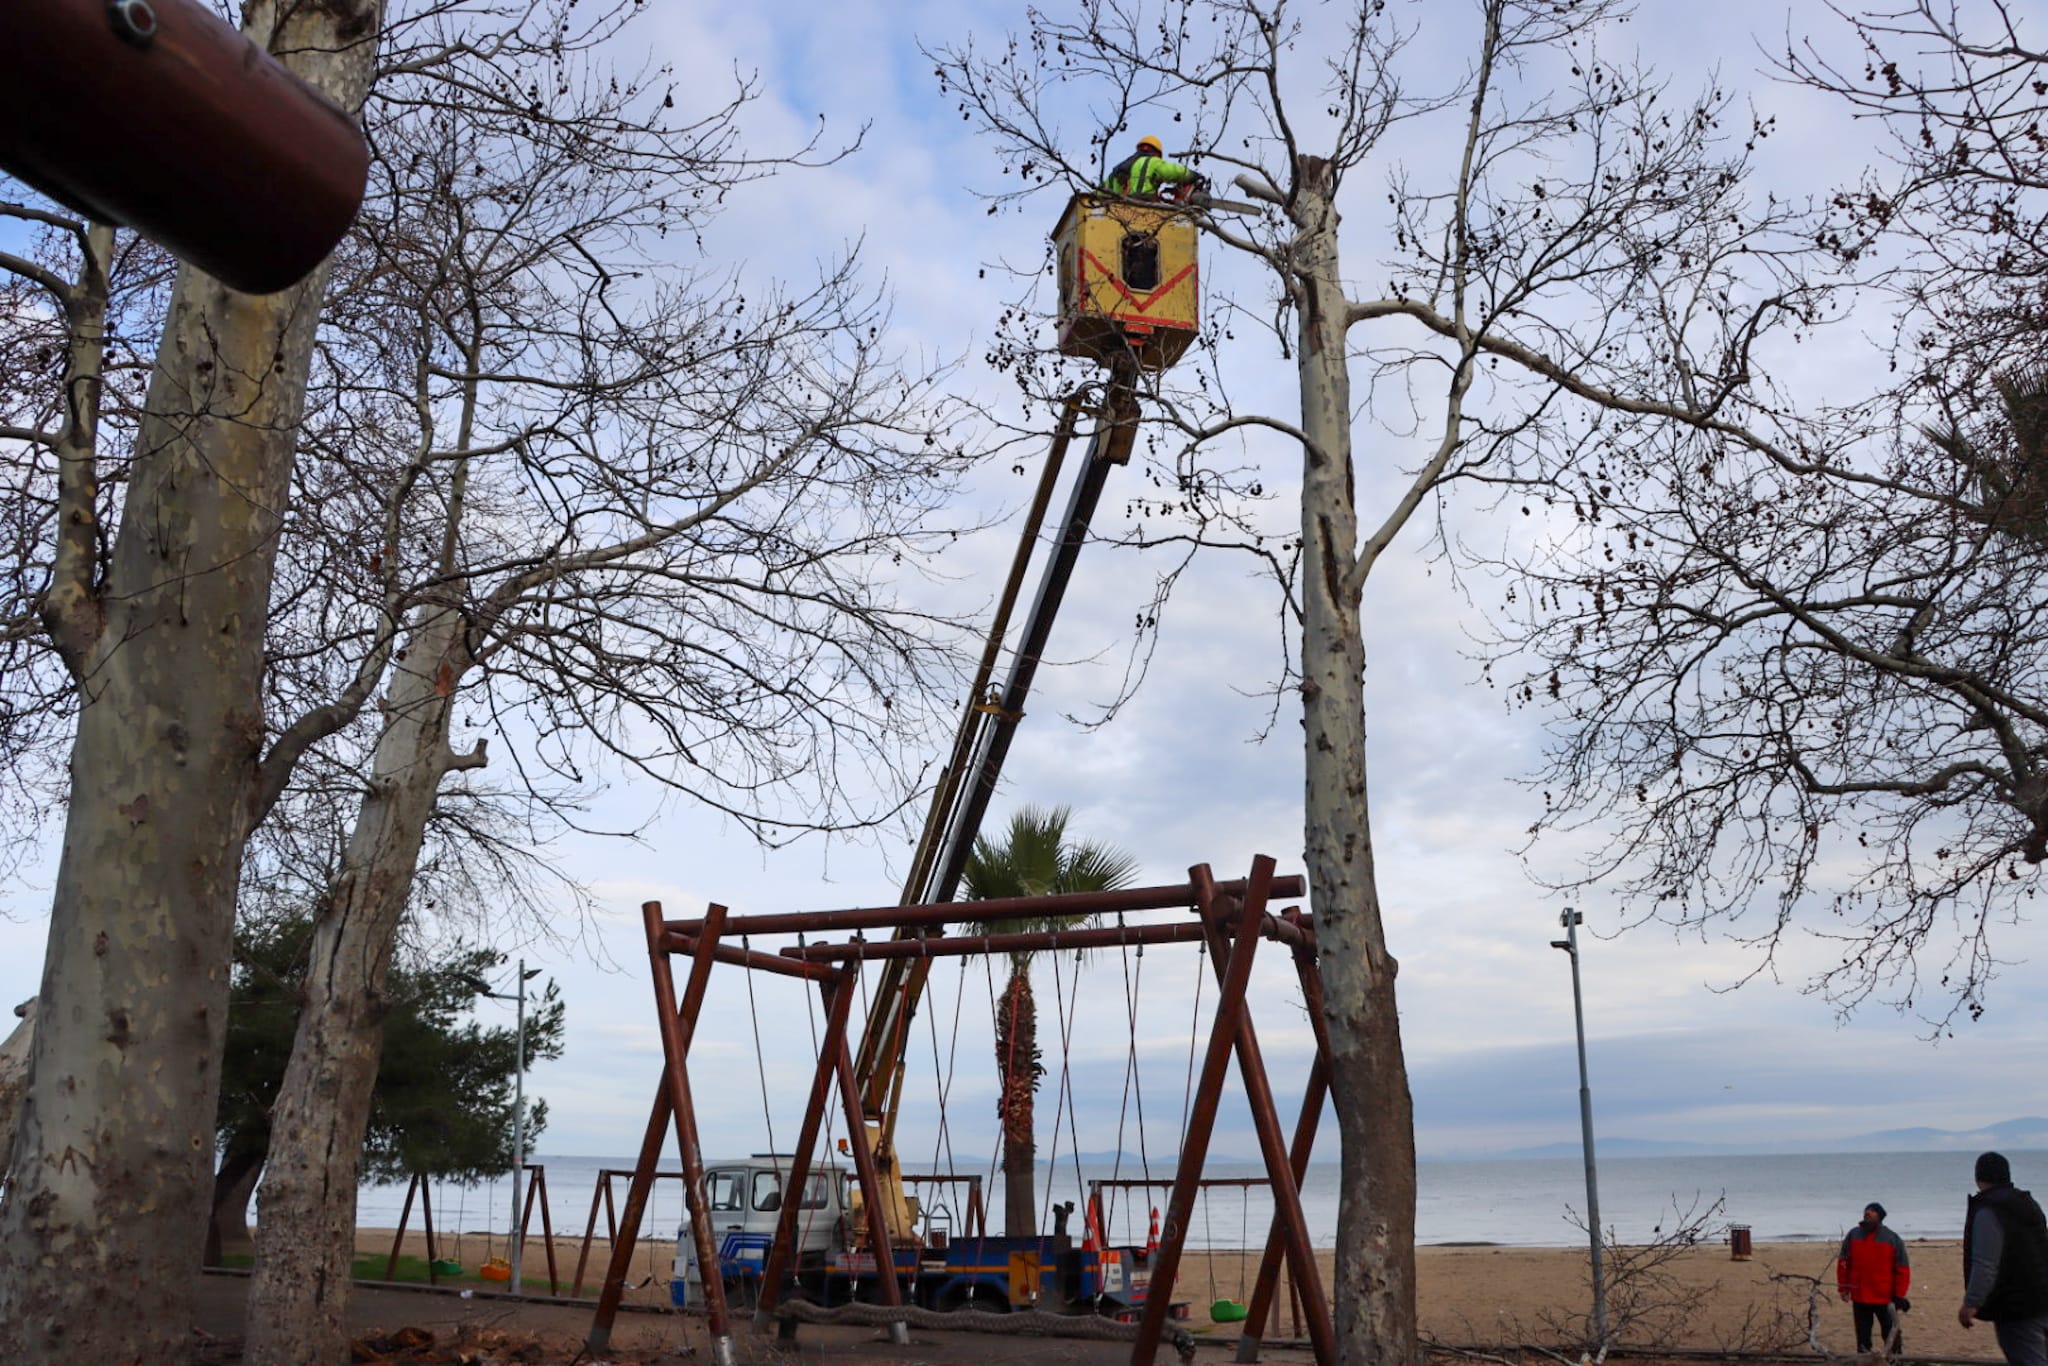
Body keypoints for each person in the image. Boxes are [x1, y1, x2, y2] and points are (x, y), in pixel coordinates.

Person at [1961, 1151, 2048, 1366]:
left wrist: (1972, 1303)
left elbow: (1985, 1262)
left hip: (2015, 1306)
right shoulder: (2028, 1203)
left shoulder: (1989, 1210)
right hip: (2042, 1294)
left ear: (1978, 1177)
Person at [1838, 1201, 1911, 1352]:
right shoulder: (1853, 1234)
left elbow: (1902, 1269)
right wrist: (1843, 1288)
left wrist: (1899, 1295)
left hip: (1884, 1297)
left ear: (1880, 1216)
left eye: (1872, 1211)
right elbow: (1843, 1262)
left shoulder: (1892, 1238)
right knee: (1863, 1337)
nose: (1868, 1212)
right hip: (1860, 1295)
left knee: (1891, 1334)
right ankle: (1864, 1360)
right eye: (1866, 1210)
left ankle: (1896, 1360)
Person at [1103, 135, 1198, 199]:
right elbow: (1171, 171)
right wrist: (1193, 175)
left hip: (1116, 215)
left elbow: (1098, 194)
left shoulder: (1115, 173)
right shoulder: (1152, 162)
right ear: (1157, 154)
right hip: (1145, 210)